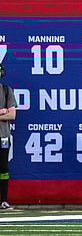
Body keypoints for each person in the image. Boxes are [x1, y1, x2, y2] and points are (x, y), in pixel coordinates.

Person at [0, 63, 17, 210]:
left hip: (3, 136)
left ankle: (3, 200)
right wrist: (1, 111)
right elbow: (6, 113)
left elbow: (12, 114)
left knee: (3, 168)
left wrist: (6, 111)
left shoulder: (6, 90)